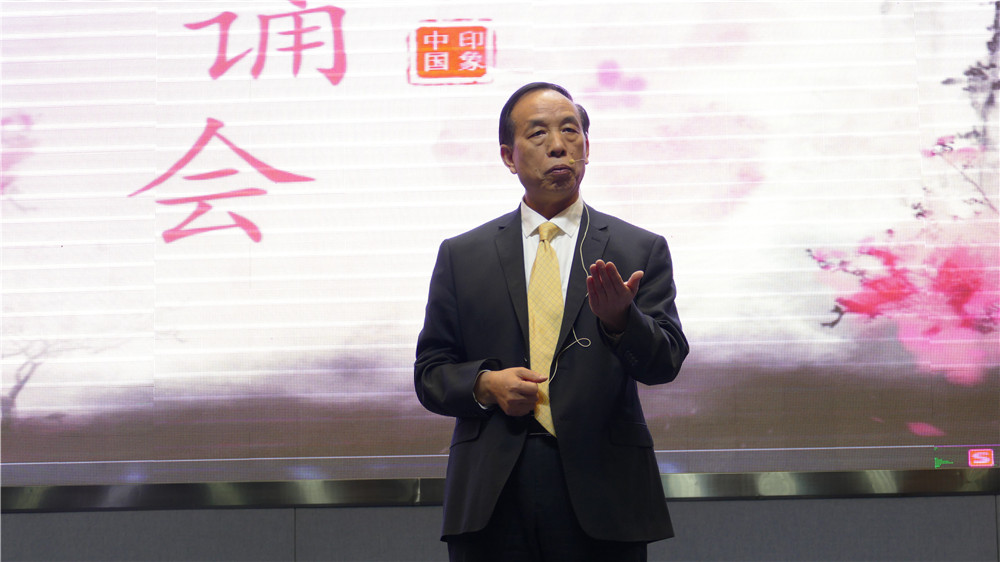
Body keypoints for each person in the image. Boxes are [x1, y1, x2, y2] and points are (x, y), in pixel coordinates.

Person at [414, 82, 689, 561]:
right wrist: (485, 384)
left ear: (587, 147)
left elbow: (664, 363)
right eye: (538, 133)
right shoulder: (462, 256)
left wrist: (621, 321)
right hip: (491, 495)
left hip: (605, 493)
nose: (559, 145)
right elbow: (430, 372)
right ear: (509, 156)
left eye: (570, 130)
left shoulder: (638, 249)